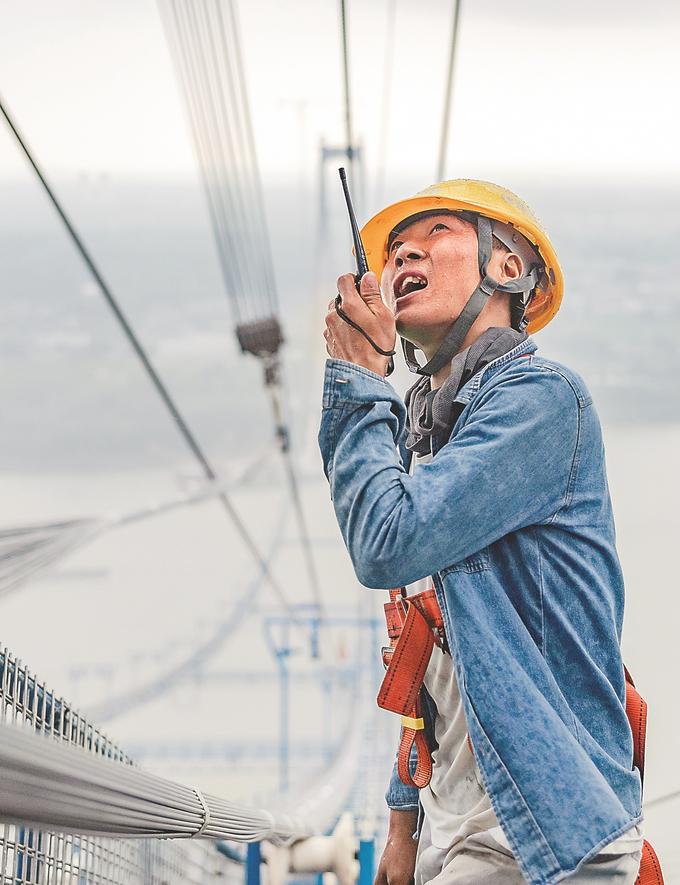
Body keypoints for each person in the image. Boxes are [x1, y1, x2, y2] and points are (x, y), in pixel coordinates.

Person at [319, 180, 644, 885]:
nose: (404, 249)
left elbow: (385, 543)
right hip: (461, 839)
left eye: (435, 231)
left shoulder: (540, 402)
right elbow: (422, 656)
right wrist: (403, 826)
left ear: (506, 265)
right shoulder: (426, 437)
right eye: (395, 247)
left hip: (542, 843)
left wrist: (354, 378)